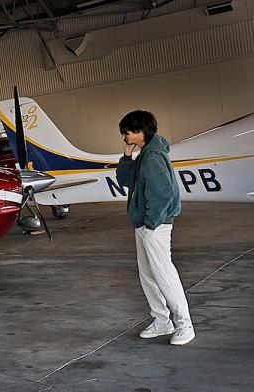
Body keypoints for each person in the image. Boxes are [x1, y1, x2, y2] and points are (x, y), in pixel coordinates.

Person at [116, 110, 194, 346]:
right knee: (148, 275)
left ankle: (184, 325)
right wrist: (126, 157)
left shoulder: (152, 157)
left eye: (128, 132)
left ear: (140, 132)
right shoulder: (143, 155)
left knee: (163, 274)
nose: (125, 136)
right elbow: (125, 181)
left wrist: (151, 222)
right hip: (144, 224)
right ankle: (162, 321)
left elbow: (163, 194)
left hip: (154, 226)